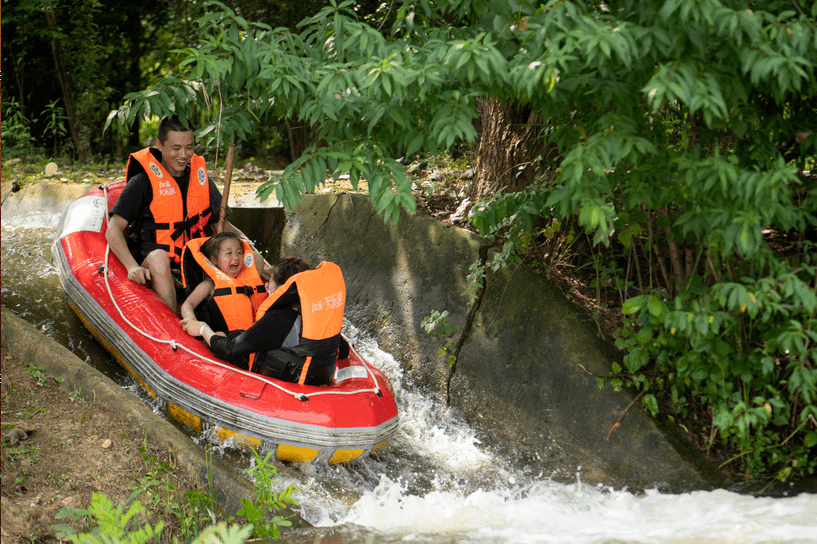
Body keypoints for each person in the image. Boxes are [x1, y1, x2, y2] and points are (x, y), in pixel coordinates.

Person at [106, 115, 267, 313]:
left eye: (189, 147)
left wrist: (250, 249)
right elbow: (113, 230)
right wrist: (132, 267)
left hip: (195, 265)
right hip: (156, 266)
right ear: (160, 145)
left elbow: (221, 226)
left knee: (253, 257)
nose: (183, 155)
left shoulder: (200, 180)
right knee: (158, 258)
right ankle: (171, 322)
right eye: (176, 148)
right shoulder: (142, 182)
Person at [181, 257, 350, 386]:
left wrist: (202, 328)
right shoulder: (317, 315)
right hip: (312, 381)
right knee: (231, 335)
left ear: (283, 290)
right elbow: (343, 351)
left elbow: (230, 350)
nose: (267, 284)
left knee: (218, 342)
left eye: (271, 282)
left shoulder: (278, 319)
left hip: (284, 387)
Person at [180, 232, 268, 335]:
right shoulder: (210, 285)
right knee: (219, 335)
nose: (235, 257)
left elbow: (257, 257)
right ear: (214, 260)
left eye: (239, 253)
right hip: (226, 339)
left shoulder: (250, 277)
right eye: (229, 253)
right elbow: (188, 304)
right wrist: (191, 319)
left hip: (257, 336)